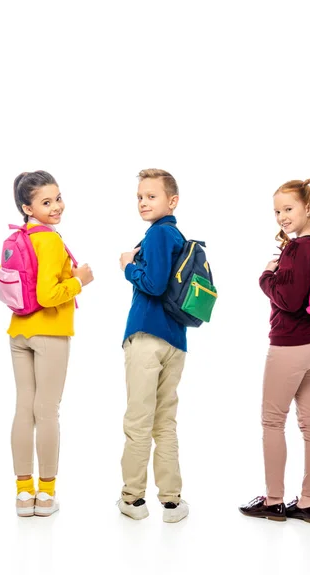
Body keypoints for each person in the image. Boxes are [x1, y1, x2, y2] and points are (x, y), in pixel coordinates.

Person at [239, 179, 310, 525]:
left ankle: (274, 500)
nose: (281, 216)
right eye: (277, 211)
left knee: (272, 421)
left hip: (291, 345)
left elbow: (288, 300)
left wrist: (266, 275)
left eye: (288, 209)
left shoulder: (297, 250)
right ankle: (309, 503)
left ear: (308, 208)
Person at [8, 171, 93, 517]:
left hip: (19, 332)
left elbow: (33, 282)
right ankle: (45, 495)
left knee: (23, 410)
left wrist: (66, 277)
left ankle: (22, 493)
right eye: (46, 202)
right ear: (27, 207)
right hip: (50, 334)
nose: (57, 206)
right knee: (47, 412)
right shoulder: (51, 241)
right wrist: (80, 281)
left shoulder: (23, 236)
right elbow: (47, 294)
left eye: (58, 198)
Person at [118, 168, 189, 523]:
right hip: (176, 341)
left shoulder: (159, 234)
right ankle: (172, 502)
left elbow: (155, 284)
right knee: (165, 422)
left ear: (172, 201)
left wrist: (129, 266)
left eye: (152, 196)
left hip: (147, 338)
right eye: (140, 197)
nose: (144, 202)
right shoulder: (177, 236)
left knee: (139, 420)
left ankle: (132, 498)